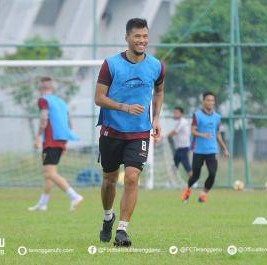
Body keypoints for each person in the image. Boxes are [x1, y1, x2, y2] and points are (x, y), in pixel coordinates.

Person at [95, 18, 165, 247]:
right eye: (137, 36)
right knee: (109, 180)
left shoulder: (156, 65)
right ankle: (108, 217)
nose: (142, 40)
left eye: (145, 36)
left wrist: (155, 118)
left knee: (133, 178)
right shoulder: (111, 64)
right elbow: (99, 98)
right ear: (127, 38)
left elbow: (159, 91)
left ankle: (122, 230)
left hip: (139, 132)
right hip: (112, 130)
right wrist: (124, 107)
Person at [29, 76, 84, 212]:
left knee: (49, 173)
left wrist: (37, 137)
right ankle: (43, 203)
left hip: (51, 140)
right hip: (61, 140)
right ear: (52, 87)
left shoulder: (43, 100)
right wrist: (64, 142)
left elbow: (44, 118)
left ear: (40, 88)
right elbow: (69, 123)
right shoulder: (61, 102)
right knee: (50, 173)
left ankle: (74, 196)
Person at [181, 91, 229, 203]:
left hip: (212, 150)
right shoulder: (197, 115)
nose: (210, 102)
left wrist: (225, 149)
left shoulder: (217, 117)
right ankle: (187, 191)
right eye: (208, 100)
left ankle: (203, 195)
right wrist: (203, 134)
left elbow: (217, 134)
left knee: (212, 174)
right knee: (196, 175)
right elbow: (193, 131)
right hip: (198, 150)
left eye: (212, 100)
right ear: (203, 102)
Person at [167, 106, 192, 180]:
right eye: (174, 112)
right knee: (174, 166)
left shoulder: (183, 122)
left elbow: (174, 132)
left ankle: (194, 182)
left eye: (177, 113)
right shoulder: (178, 122)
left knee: (186, 166)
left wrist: (163, 137)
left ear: (181, 114)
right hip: (179, 148)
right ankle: (169, 182)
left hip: (184, 148)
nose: (175, 114)